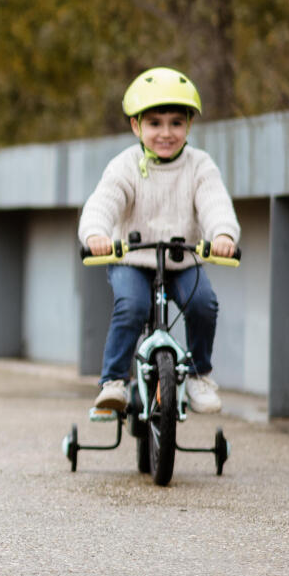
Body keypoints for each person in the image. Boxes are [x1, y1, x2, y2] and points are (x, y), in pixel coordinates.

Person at [79, 68, 240, 419]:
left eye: (175, 123)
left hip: (183, 261)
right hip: (130, 261)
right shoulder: (125, 165)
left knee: (203, 305)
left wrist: (223, 234)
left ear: (189, 126)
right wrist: (96, 234)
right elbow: (104, 202)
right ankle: (114, 382)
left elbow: (215, 204)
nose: (166, 133)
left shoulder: (200, 166)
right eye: (154, 123)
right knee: (132, 307)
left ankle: (199, 375)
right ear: (136, 127)